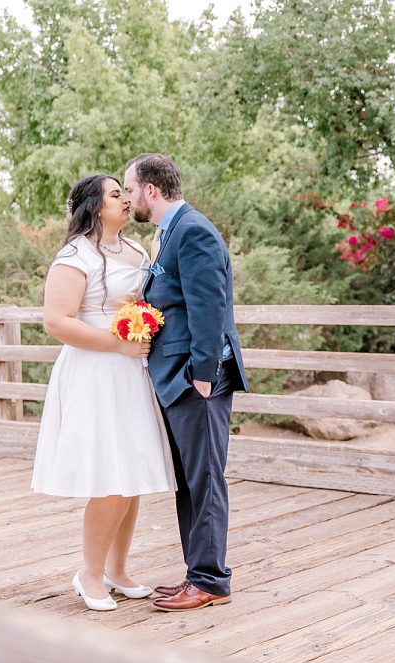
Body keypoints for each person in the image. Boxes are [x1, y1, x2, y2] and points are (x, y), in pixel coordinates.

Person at [32, 173, 176, 612]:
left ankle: (119, 570)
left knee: (130, 476)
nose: (126, 200)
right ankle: (89, 574)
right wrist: (117, 343)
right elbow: (57, 321)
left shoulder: (135, 250)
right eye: (117, 194)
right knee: (110, 476)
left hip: (130, 373)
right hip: (95, 371)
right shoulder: (76, 255)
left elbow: (141, 300)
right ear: (95, 205)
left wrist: (139, 317)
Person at [123, 153, 248, 612]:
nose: (130, 197)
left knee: (205, 480)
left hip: (196, 380)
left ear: (151, 190)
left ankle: (211, 580)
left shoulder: (193, 231)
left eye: (131, 189)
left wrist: (202, 375)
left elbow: (209, 307)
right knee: (189, 483)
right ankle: (197, 575)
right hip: (177, 378)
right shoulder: (170, 231)